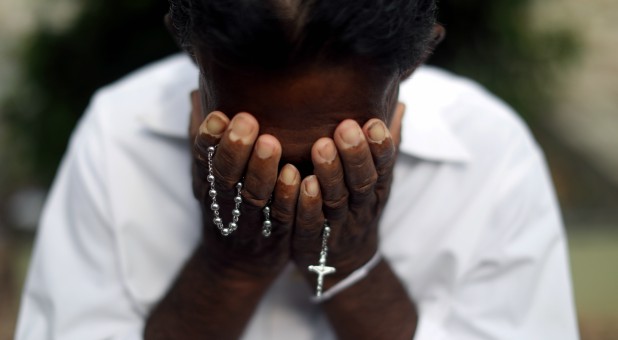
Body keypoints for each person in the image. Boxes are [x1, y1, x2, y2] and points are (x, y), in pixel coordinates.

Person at [16, 1, 579, 339]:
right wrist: (228, 266)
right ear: (193, 54)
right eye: (252, 139)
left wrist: (352, 262)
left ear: (412, 64)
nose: (292, 186)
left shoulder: (492, 153)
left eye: (327, 153)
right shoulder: (118, 136)